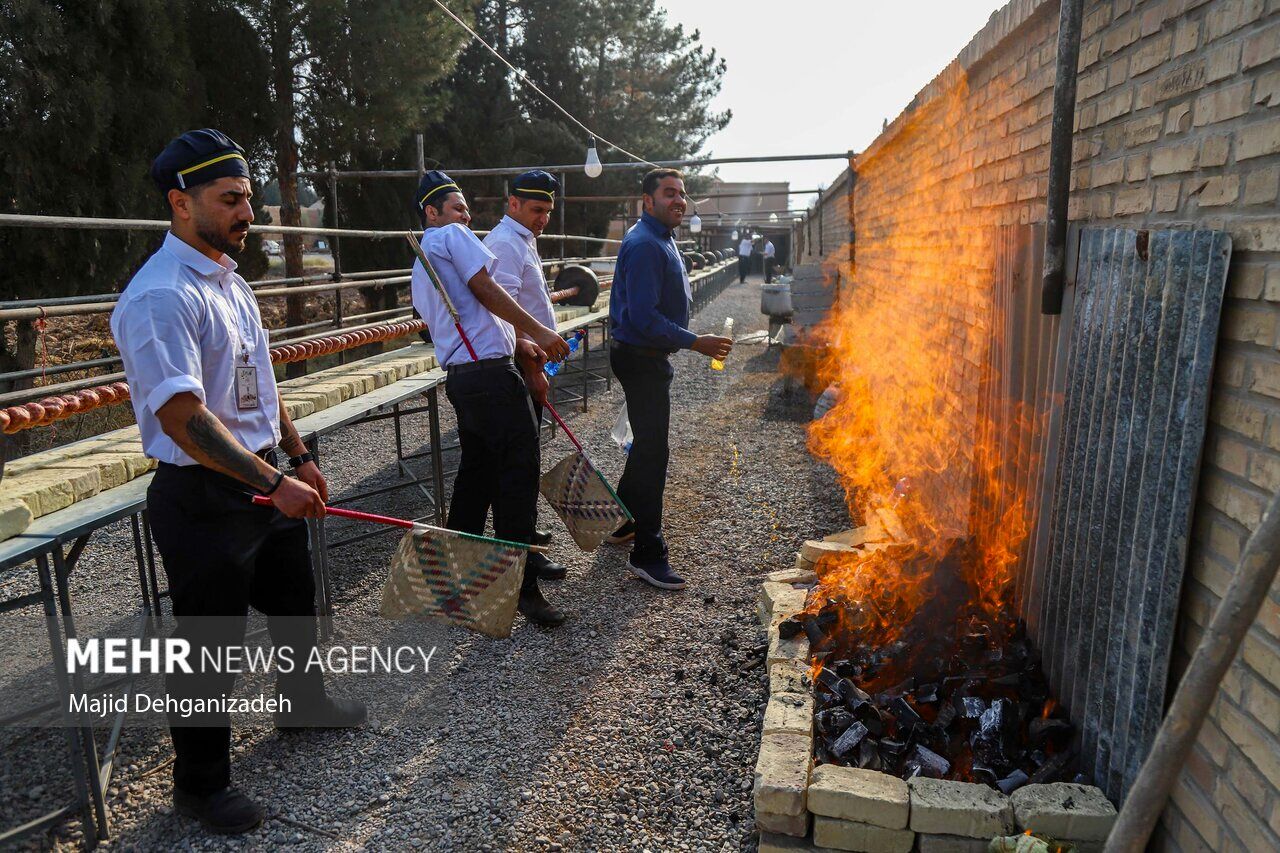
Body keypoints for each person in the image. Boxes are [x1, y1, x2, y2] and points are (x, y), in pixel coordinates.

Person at [110, 129, 365, 835]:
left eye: (248, 197)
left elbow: (260, 379)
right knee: (209, 643)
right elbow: (185, 418)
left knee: (294, 599)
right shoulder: (160, 296)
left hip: (261, 474)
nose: (245, 212)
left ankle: (303, 704)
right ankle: (200, 786)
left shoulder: (230, 279)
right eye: (229, 200)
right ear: (179, 203)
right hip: (202, 495)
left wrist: (297, 452)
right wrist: (270, 480)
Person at [408, 170, 571, 625]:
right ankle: (523, 589)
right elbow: (485, 288)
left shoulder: (420, 262)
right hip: (493, 377)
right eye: (457, 207)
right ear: (432, 212)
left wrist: (520, 342)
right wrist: (537, 330)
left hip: (463, 376)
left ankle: (453, 581)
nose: (466, 215)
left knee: (475, 478)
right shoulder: (451, 236)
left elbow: (457, 312)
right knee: (516, 479)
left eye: (465, 208)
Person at [606, 168, 733, 590]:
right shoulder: (645, 244)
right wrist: (695, 341)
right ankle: (648, 553)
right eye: (668, 193)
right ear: (647, 201)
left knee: (645, 446)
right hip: (641, 358)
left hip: (647, 357)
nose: (679, 200)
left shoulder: (662, 237)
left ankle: (623, 520)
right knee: (653, 454)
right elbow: (642, 318)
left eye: (682, 193)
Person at [482, 169, 567, 582]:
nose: (543, 218)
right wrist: (532, 366)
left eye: (548, 210)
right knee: (520, 465)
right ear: (512, 203)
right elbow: (500, 308)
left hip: (532, 359)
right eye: (536, 209)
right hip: (519, 364)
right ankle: (523, 555)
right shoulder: (503, 243)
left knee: (527, 459)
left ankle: (526, 535)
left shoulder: (522, 240)